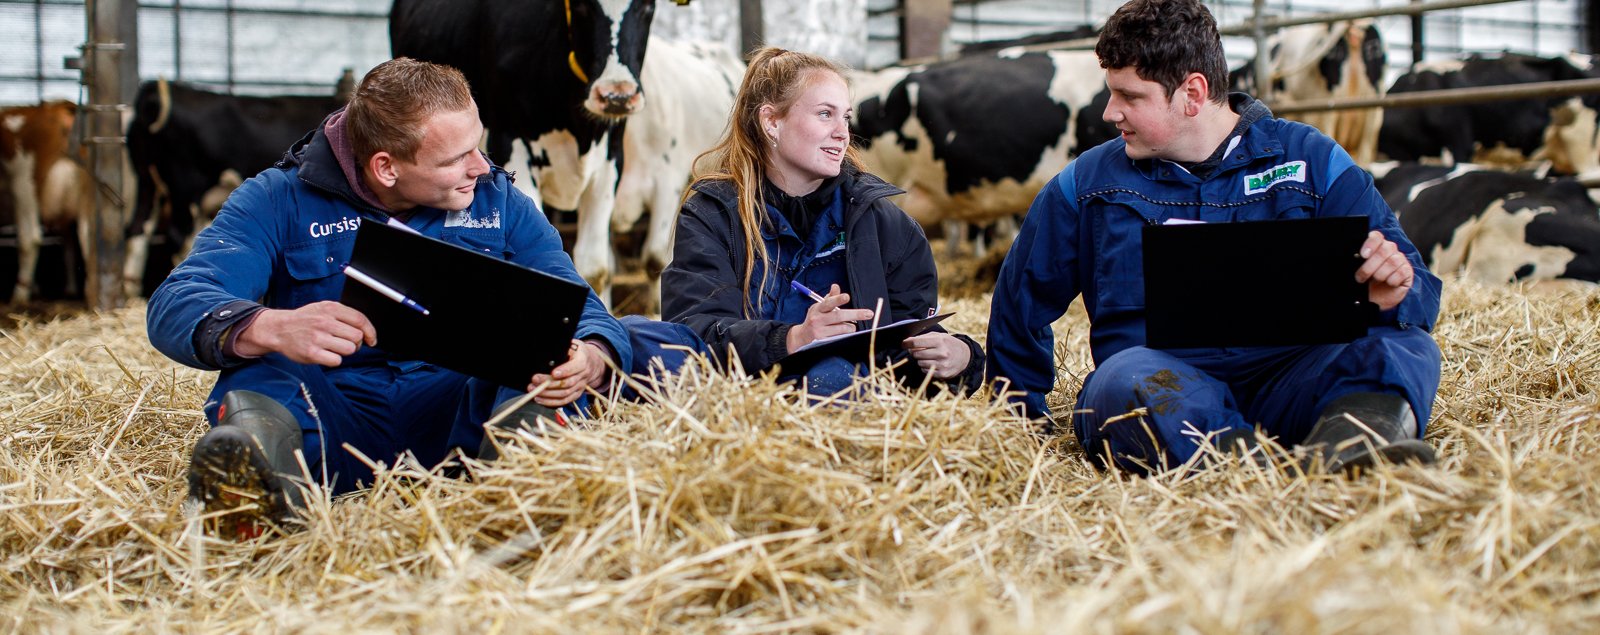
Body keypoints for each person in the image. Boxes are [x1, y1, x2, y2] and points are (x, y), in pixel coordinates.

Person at [147, 58, 632, 535]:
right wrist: (269, 326)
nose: (480, 166)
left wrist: (592, 355)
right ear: (386, 168)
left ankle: (522, 510)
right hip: (331, 416)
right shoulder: (277, 199)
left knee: (544, 361)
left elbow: (581, 304)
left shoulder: (498, 201)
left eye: (477, 145)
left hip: (457, 420)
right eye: (455, 158)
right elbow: (178, 299)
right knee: (261, 371)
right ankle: (253, 497)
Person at [987, 0, 1442, 474]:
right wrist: (1023, 427)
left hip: (1293, 381)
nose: (1109, 112)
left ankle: (1348, 452)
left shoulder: (1310, 161)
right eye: (1111, 93)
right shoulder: (1086, 185)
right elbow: (1021, 302)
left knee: (1406, 349)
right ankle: (1257, 472)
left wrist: (1396, 292)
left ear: (1192, 93)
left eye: (1130, 97)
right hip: (1168, 394)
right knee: (1118, 382)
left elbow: (1416, 286)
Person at [646, 47, 985, 397]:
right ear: (771, 122)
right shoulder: (713, 214)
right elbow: (692, 333)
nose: (843, 133)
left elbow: (906, 351)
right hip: (737, 412)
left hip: (849, 418)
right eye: (826, 114)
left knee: (834, 375)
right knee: (634, 336)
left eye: (846, 118)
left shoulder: (889, 227)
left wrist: (962, 359)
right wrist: (792, 339)